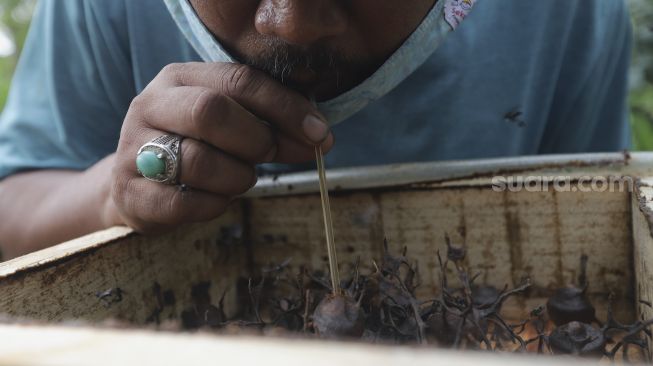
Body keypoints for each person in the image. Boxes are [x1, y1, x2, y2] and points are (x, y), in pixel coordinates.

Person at [0, 0, 633, 259]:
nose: (293, 26)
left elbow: (601, 234)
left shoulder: (564, 13)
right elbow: (13, 207)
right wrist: (112, 196)